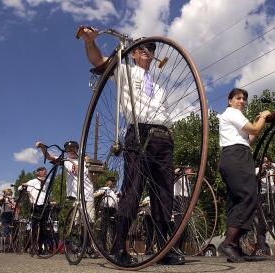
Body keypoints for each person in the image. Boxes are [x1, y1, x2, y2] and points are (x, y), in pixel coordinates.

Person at [79, 26, 184, 265]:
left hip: (163, 138)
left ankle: (163, 248)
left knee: (165, 194)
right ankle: (119, 246)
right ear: (134, 54)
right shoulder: (125, 71)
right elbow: (98, 59)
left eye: (152, 49)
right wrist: (89, 42)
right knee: (133, 191)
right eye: (143, 48)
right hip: (139, 133)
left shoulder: (159, 87)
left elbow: (165, 113)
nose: (148, 51)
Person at [218, 88, 271, 262]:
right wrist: (263, 116)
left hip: (238, 153)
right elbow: (255, 130)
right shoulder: (233, 113)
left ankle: (233, 248)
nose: (242, 101)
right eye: (238, 98)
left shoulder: (234, 117)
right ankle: (228, 243)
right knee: (248, 197)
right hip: (236, 156)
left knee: (237, 200)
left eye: (244, 99)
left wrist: (257, 123)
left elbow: (249, 139)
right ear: (230, 101)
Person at [36, 140, 96, 256]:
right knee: (77, 221)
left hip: (88, 194)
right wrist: (43, 147)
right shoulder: (66, 160)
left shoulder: (85, 161)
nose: (71, 151)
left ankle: (88, 246)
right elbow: (49, 157)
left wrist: (89, 166)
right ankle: (77, 245)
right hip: (75, 195)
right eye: (68, 149)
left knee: (90, 222)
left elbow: (93, 180)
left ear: (77, 149)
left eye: (73, 148)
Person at [254, 156, 275, 256]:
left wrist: (271, 165)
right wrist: (262, 169)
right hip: (262, 197)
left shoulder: (272, 170)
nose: (266, 163)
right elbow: (254, 177)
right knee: (262, 225)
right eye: (264, 161)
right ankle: (262, 249)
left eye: (267, 161)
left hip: (272, 197)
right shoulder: (257, 170)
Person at [18, 166, 48, 251]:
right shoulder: (33, 182)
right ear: (38, 173)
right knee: (34, 226)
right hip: (36, 205)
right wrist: (23, 185)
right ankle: (33, 245)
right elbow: (20, 188)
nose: (45, 172)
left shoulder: (47, 182)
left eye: (45, 170)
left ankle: (40, 246)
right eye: (43, 170)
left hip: (44, 206)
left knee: (43, 227)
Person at [94, 177, 119, 250]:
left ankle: (113, 247)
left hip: (114, 210)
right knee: (104, 228)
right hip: (105, 209)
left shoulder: (114, 191)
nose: (113, 183)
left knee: (115, 228)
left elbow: (116, 201)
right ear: (107, 181)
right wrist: (101, 194)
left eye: (114, 182)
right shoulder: (103, 189)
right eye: (111, 181)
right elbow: (94, 195)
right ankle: (102, 246)